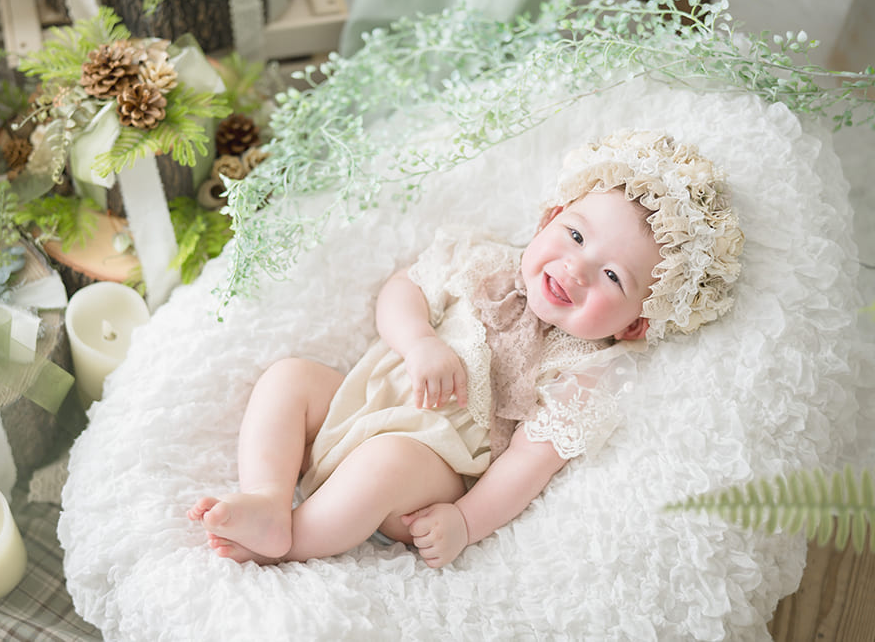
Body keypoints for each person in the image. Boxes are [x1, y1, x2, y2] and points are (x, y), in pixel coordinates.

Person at [187, 130, 744, 567]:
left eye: (613, 276)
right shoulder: (482, 259)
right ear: (550, 218)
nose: (576, 269)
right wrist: (419, 341)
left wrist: (466, 522)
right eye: (575, 236)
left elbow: (527, 464)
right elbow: (402, 290)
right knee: (289, 378)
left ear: (635, 325)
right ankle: (267, 497)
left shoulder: (582, 370)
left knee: (385, 463)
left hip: (432, 464)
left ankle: (287, 543)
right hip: (361, 401)